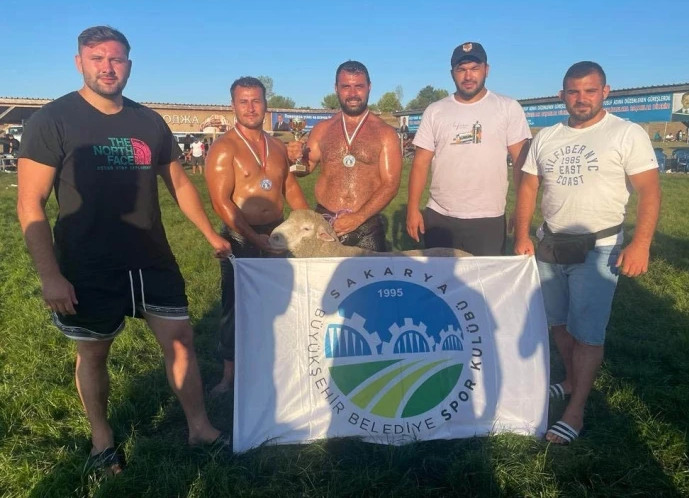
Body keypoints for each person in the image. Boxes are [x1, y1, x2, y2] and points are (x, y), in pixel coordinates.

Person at [16, 26, 232, 474]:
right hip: (88, 263)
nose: (107, 67)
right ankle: (102, 441)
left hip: (151, 258)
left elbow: (178, 183)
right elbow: (30, 202)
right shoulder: (52, 120)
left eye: (116, 59)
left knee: (182, 341)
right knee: (94, 353)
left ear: (129, 65)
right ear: (79, 62)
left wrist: (210, 235)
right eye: (97, 58)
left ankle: (199, 427)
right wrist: (50, 275)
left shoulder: (148, 121)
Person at [514, 61, 661, 445]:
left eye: (590, 91)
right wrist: (521, 235)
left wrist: (641, 243)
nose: (582, 99)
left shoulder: (626, 133)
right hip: (550, 244)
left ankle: (575, 410)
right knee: (558, 324)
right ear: (562, 95)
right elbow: (528, 188)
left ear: (605, 92)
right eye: (574, 91)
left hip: (600, 249)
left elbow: (649, 190)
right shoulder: (546, 136)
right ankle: (568, 379)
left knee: (588, 334)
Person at [205, 76, 309, 395]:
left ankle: (278, 364)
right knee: (236, 306)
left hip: (276, 234)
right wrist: (252, 237)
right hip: (241, 237)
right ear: (233, 106)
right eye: (243, 102)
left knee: (280, 301)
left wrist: (310, 223)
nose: (250, 108)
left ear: (266, 105)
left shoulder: (276, 146)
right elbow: (221, 202)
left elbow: (290, 188)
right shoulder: (224, 148)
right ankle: (230, 376)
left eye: (256, 101)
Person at [406, 42, 531, 256]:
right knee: (440, 276)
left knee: (485, 278)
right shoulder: (435, 111)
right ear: (452, 73)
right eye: (461, 70)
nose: (468, 76)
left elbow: (522, 163)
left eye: (475, 68)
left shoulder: (508, 107)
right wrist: (412, 209)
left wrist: (520, 212)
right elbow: (420, 163)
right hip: (440, 216)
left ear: (486, 70)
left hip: (488, 218)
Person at [286, 60, 402, 251]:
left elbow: (391, 184)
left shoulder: (385, 133)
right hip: (325, 223)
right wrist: (295, 158)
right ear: (336, 88)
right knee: (322, 271)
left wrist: (359, 217)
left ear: (369, 87)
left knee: (370, 271)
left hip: (367, 225)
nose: (353, 93)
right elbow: (305, 168)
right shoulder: (322, 129)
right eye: (346, 87)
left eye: (359, 86)